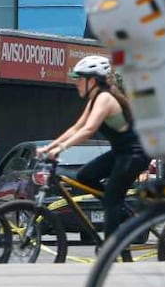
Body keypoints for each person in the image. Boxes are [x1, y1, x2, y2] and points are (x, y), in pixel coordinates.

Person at [38, 55, 150, 239]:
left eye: (80, 79)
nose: (77, 83)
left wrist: (60, 149)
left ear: (93, 80)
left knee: (112, 199)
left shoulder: (105, 98)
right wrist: (48, 148)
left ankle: (110, 248)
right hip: (120, 152)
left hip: (135, 154)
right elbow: (76, 128)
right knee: (85, 176)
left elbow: (89, 130)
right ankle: (120, 208)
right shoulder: (95, 98)